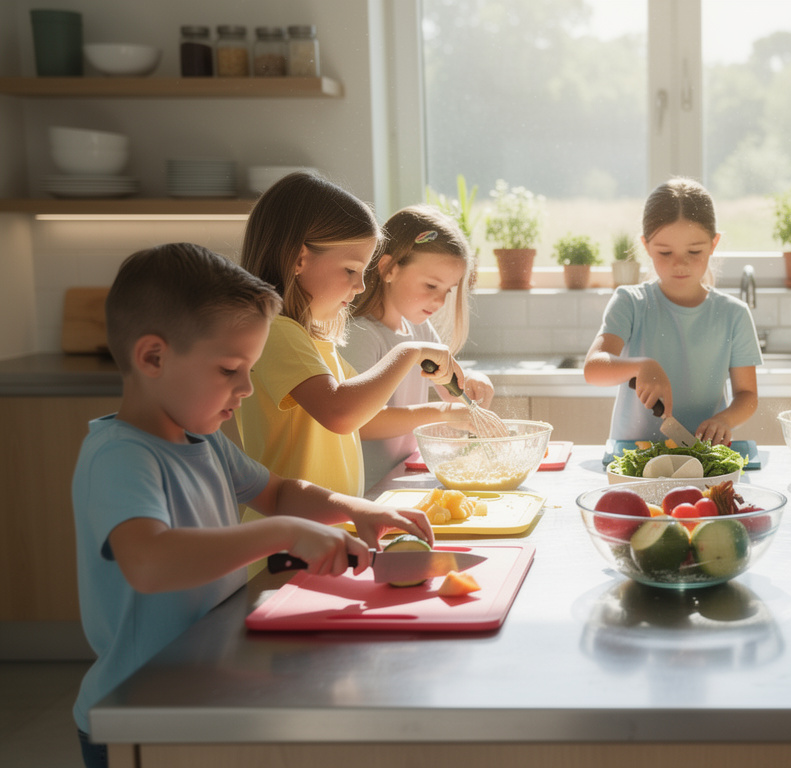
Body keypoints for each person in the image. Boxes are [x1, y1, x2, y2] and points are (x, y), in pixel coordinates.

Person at [71, 243, 433, 768]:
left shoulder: (203, 440)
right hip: (140, 711)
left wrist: (359, 508)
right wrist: (284, 534)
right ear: (153, 357)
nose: (245, 388)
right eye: (228, 369)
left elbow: (280, 492)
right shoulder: (120, 456)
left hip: (204, 687)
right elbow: (149, 562)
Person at [236, 172, 466, 500]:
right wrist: (410, 353)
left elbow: (364, 410)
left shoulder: (312, 340)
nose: (360, 286)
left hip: (322, 532)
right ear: (299, 259)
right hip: (289, 539)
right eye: (350, 270)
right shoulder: (276, 331)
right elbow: (341, 414)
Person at [583, 177, 762, 445]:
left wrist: (725, 420)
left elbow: (747, 394)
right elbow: (593, 368)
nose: (680, 264)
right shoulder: (630, 302)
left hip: (705, 456)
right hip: (634, 459)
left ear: (714, 244)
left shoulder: (733, 315)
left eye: (694, 250)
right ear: (646, 246)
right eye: (665, 252)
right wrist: (641, 366)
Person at [344, 205, 495, 489]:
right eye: (430, 286)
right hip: (366, 490)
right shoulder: (361, 334)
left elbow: (450, 392)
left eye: (447, 291)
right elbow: (360, 422)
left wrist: (473, 382)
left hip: (400, 479)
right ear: (389, 268)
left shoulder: (418, 328)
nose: (439, 302)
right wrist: (443, 413)